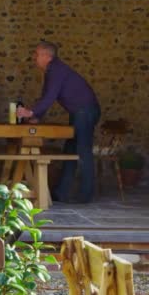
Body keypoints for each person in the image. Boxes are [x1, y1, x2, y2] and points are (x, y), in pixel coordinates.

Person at [17, 41, 100, 203]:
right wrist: (36, 117)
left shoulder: (56, 70)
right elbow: (46, 96)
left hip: (85, 111)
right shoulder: (52, 70)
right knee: (70, 150)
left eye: (37, 54)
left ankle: (86, 195)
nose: (34, 58)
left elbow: (50, 97)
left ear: (47, 56)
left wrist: (31, 112)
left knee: (83, 151)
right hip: (80, 112)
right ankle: (61, 192)